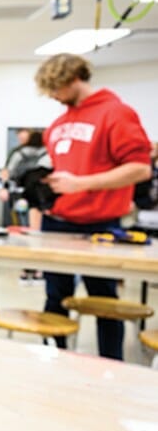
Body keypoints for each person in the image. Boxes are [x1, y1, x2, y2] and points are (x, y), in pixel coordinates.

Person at [34, 53, 152, 360]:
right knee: (55, 298)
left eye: (56, 90)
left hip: (99, 224)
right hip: (57, 221)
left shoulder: (116, 113)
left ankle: (111, 367)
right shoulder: (58, 124)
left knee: (104, 301)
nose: (55, 99)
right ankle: (54, 362)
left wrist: (83, 183)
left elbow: (140, 169)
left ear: (72, 79)